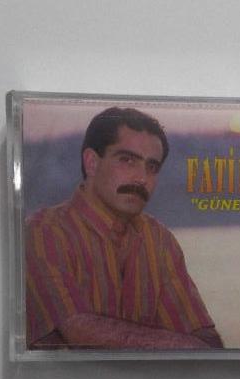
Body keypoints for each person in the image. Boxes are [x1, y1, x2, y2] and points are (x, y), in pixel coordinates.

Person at [25, 107, 223, 350]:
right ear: (91, 163)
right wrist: (183, 346)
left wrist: (192, 347)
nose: (142, 178)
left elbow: (205, 339)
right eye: (127, 160)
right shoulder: (43, 233)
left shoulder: (159, 241)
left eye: (152, 167)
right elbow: (78, 332)